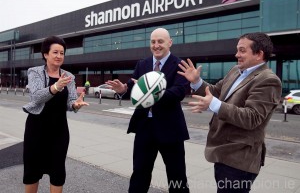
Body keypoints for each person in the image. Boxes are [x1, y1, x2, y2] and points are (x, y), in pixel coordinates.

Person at [178, 32, 282, 192]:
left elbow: (251, 117)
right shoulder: (236, 70)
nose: (237, 54)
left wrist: (214, 104)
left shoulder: (268, 80)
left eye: (242, 50)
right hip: (224, 152)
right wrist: (197, 81)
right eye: (237, 50)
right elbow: (216, 92)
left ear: (259, 54)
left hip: (240, 159)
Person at [106, 28, 190, 193]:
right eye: (153, 42)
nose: (156, 45)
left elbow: (179, 92)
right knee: (140, 174)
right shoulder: (142, 64)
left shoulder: (179, 64)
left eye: (160, 41)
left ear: (170, 43)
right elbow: (132, 89)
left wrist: (153, 92)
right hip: (145, 127)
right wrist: (123, 89)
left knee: (177, 176)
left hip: (170, 128)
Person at [22, 36, 89, 193]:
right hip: (36, 129)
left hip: (59, 131)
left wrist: (75, 105)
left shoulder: (69, 76)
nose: (59, 56)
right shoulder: (35, 72)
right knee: (32, 172)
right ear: (46, 54)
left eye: (62, 53)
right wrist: (56, 86)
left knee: (58, 172)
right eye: (55, 52)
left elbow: (70, 101)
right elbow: (37, 96)